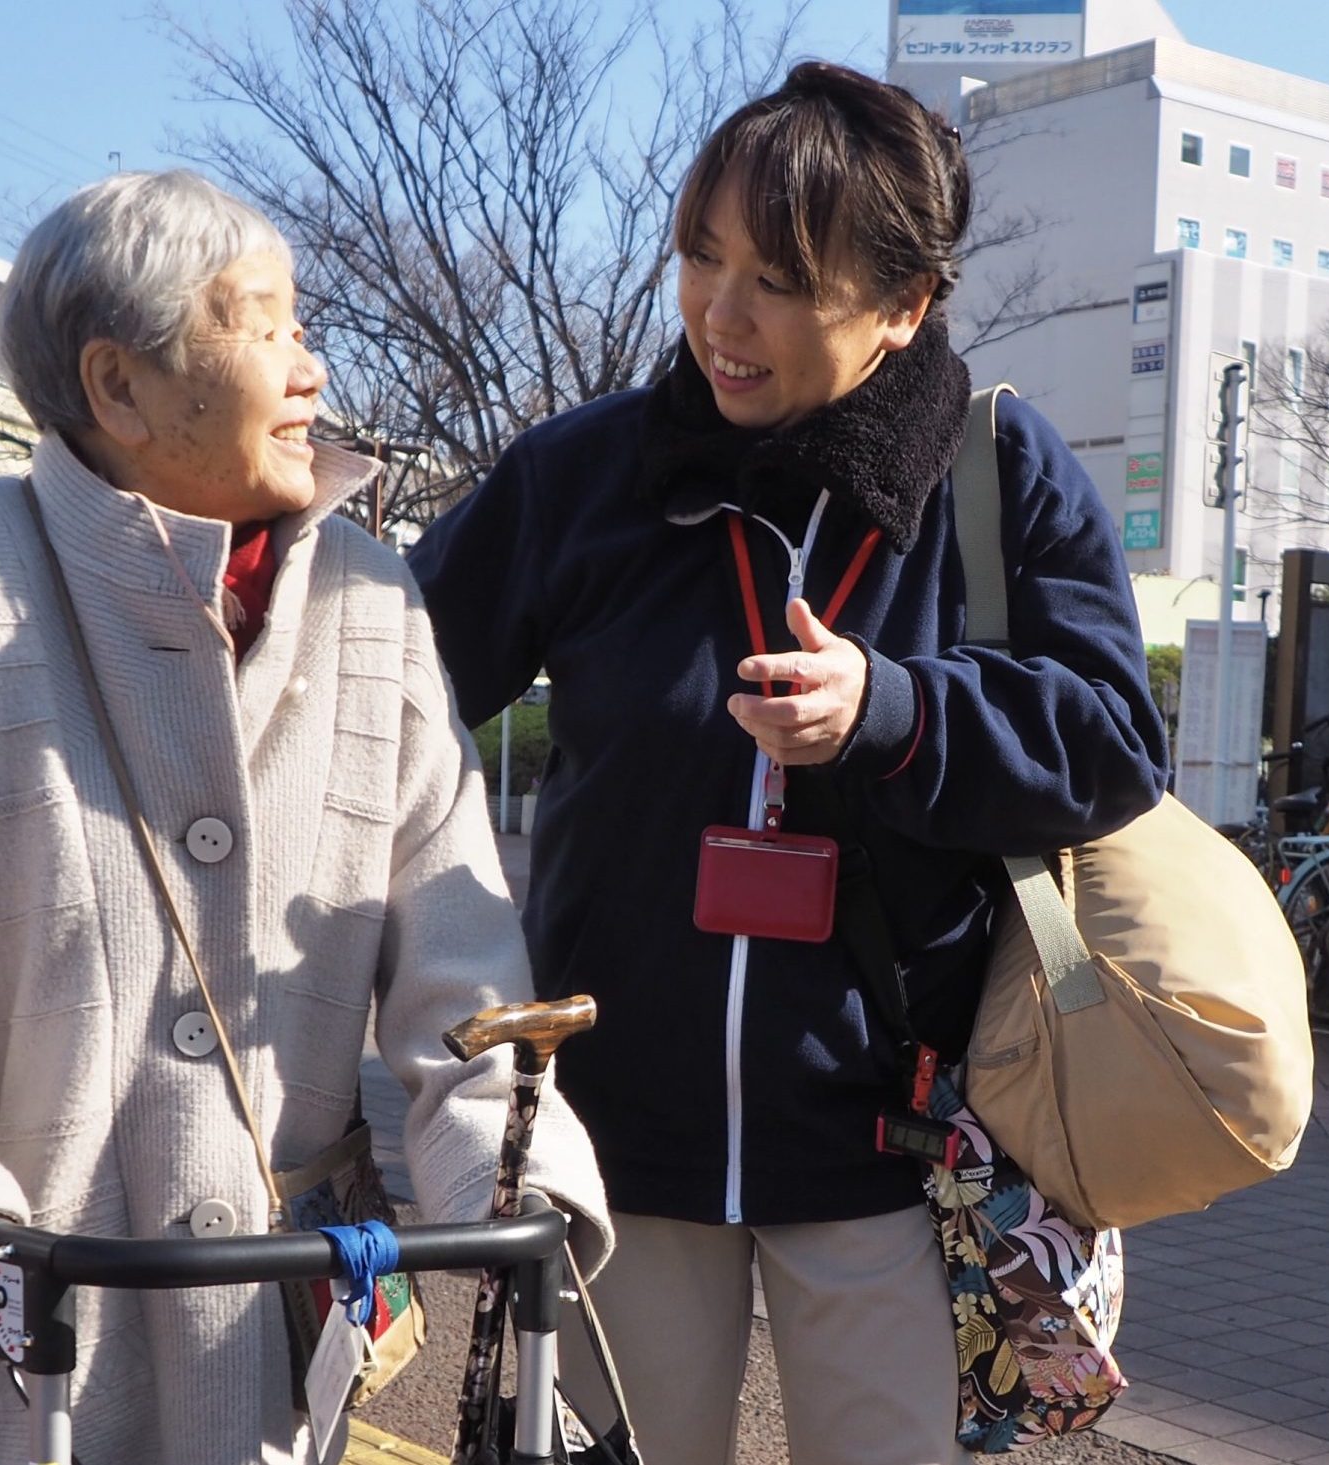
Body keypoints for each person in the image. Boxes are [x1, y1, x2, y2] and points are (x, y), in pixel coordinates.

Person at [0, 171, 609, 1465]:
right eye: (270, 327)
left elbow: (461, 958)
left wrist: (507, 1164)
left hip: (272, 1325)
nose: (312, 368)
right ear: (120, 387)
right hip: (21, 1321)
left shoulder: (367, 602)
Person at [409, 63, 1170, 1465]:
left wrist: (894, 708)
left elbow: (1116, 740)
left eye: (781, 279)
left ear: (904, 306)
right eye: (703, 257)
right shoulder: (585, 478)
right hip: (620, 1141)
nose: (719, 314)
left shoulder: (1001, 479)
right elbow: (383, 691)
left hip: (897, 1146)